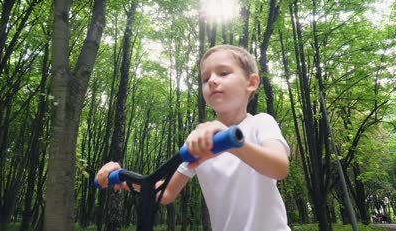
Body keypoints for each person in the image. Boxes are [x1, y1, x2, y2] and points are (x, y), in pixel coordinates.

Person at [96, 45, 291, 230]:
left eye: (223, 73)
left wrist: (230, 143)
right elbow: (167, 192)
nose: (212, 80)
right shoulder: (199, 139)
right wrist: (123, 179)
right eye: (206, 79)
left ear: (251, 82)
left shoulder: (261, 123)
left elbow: (279, 167)